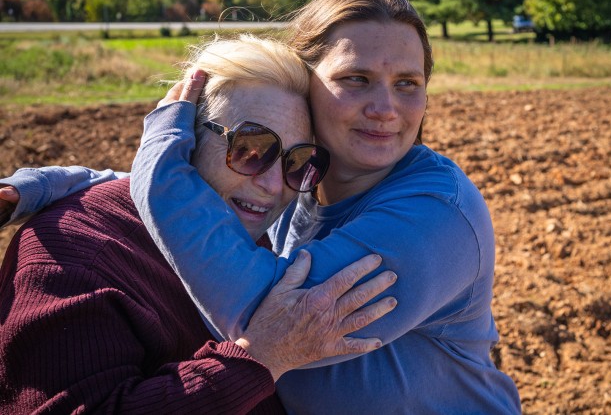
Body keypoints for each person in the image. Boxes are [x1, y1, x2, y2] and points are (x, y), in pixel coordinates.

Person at [1, 0, 521, 413]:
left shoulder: (435, 213)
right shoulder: (303, 180)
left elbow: (269, 313)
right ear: (307, 85)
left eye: (408, 82)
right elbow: (210, 186)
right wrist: (56, 182)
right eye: (356, 78)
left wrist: (160, 158)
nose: (385, 107)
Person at [0, 35, 398, 413]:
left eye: (296, 162)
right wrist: (259, 358)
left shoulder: (240, 237)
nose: (274, 185)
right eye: (250, 149)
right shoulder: (71, 258)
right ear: (184, 135)